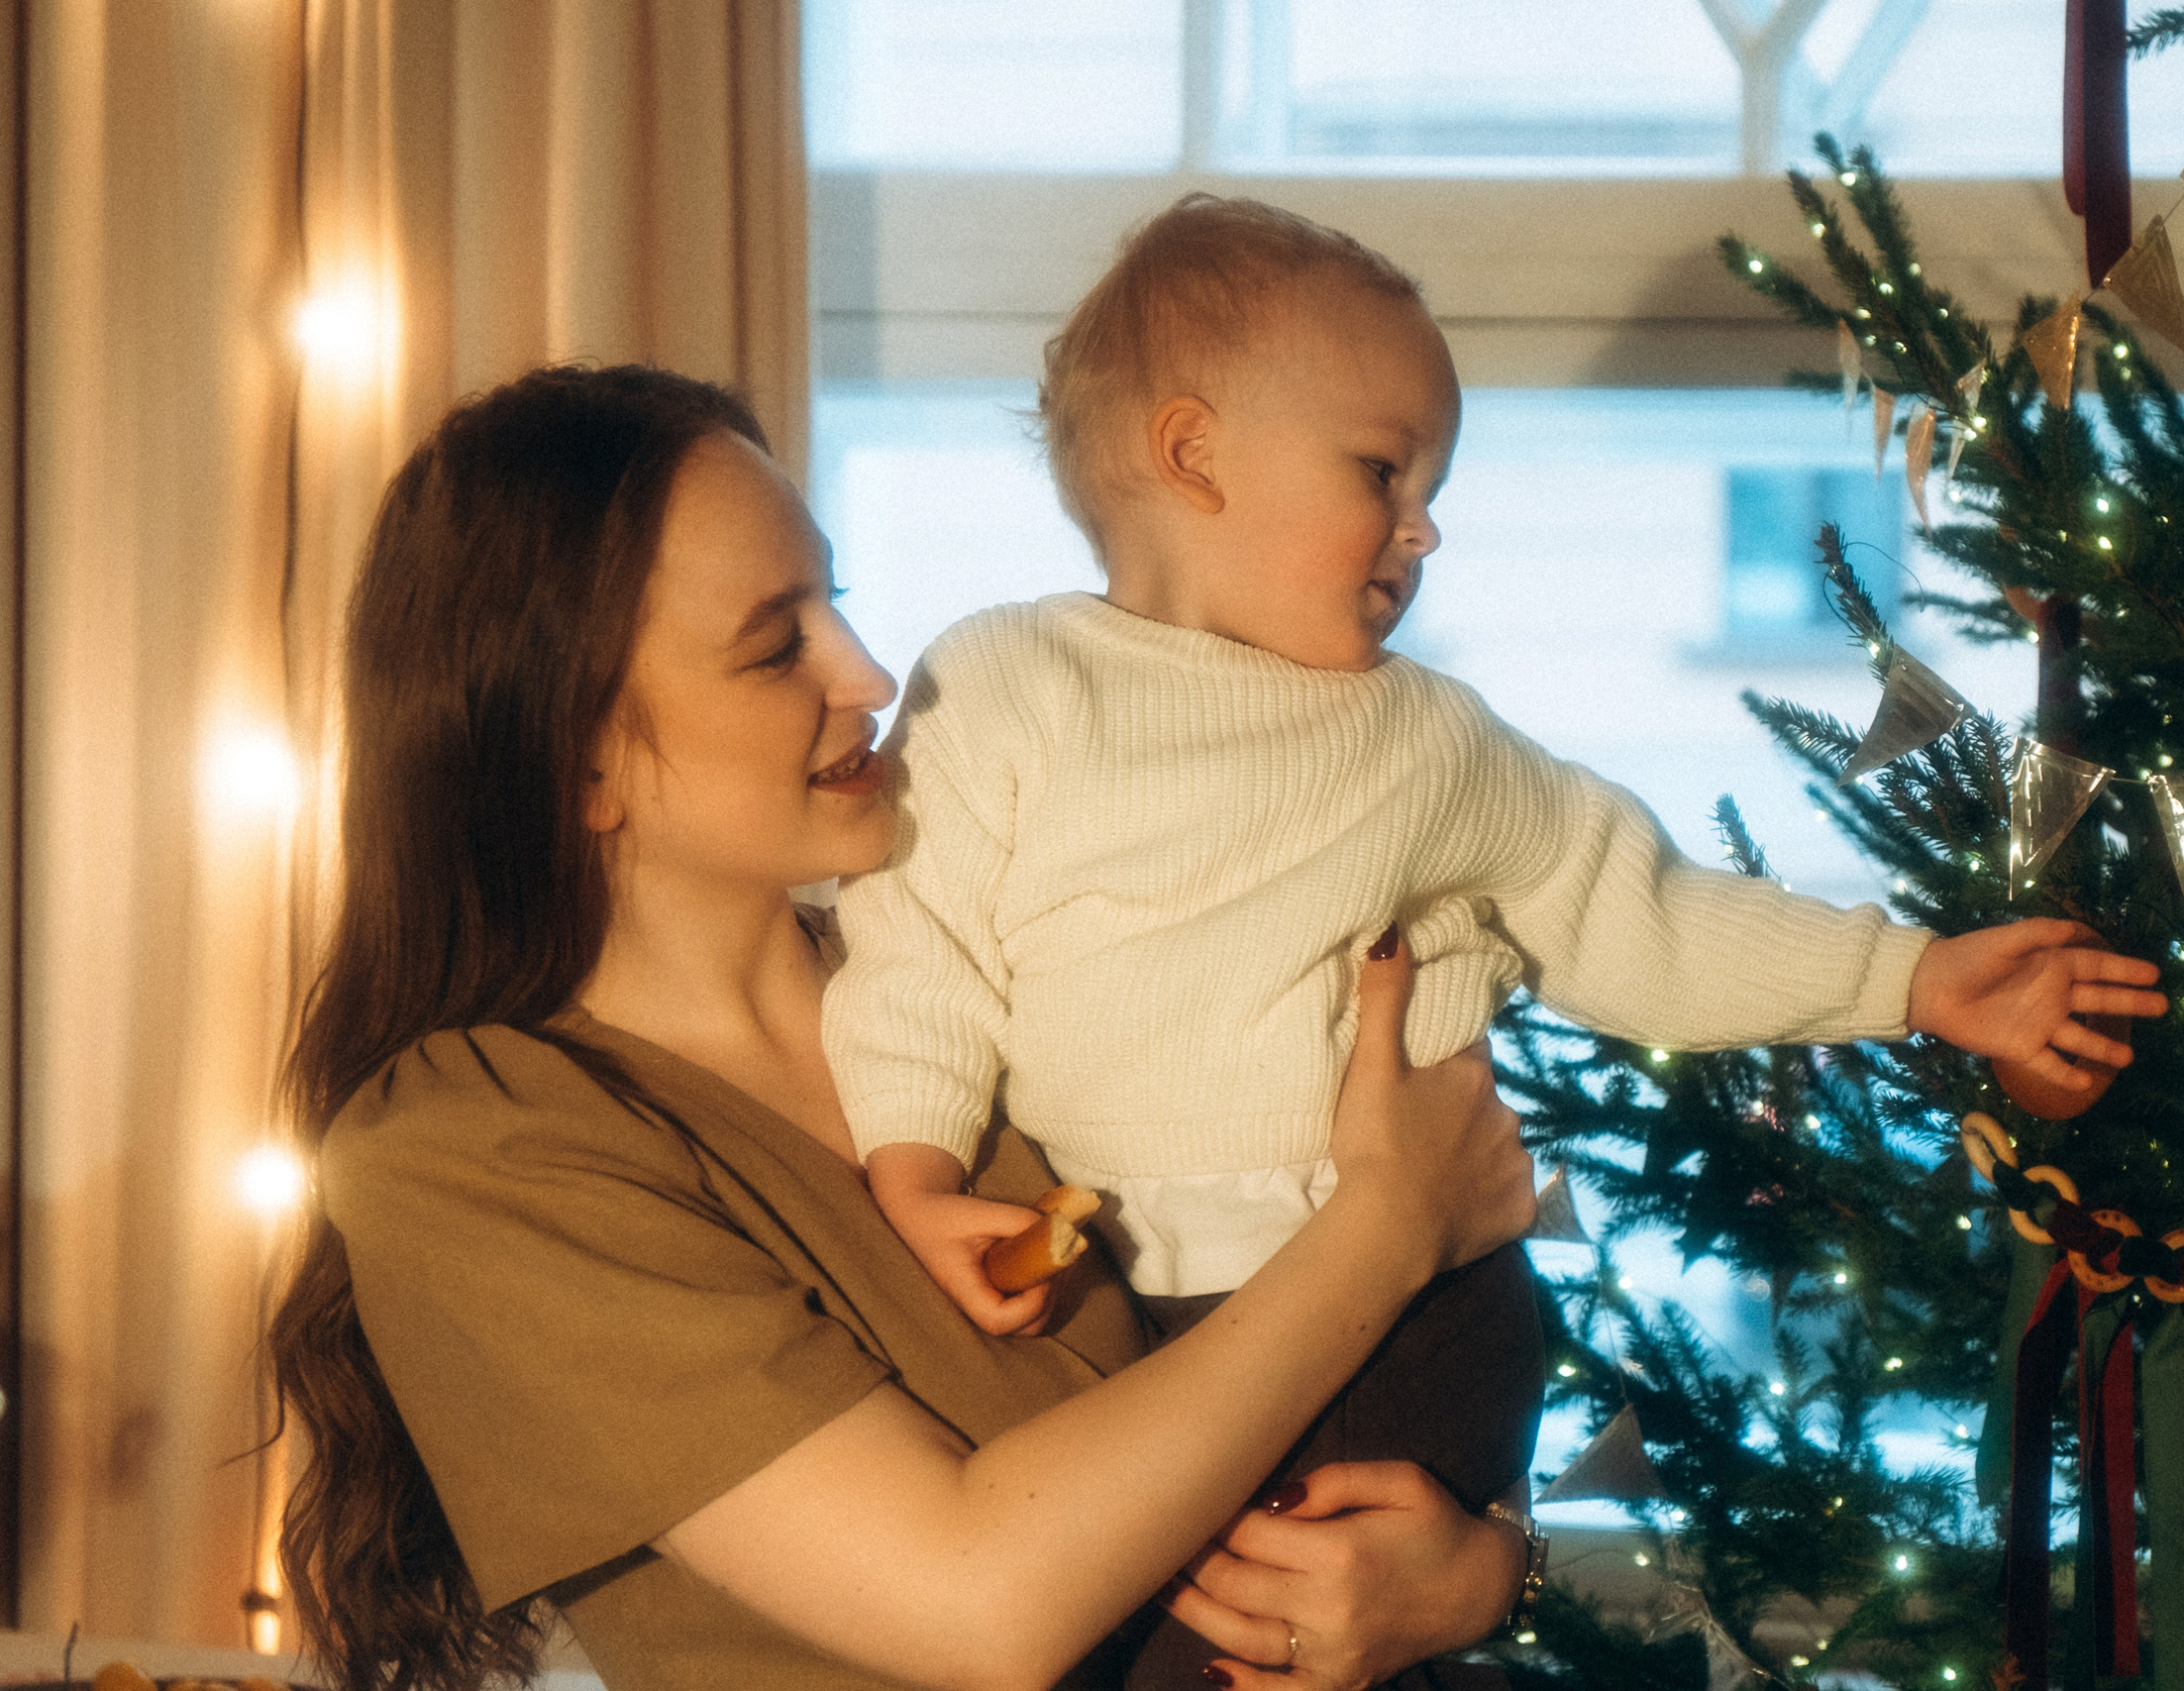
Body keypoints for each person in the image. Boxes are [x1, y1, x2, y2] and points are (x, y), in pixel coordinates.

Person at [821, 195, 2169, 1681]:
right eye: (1382, 469)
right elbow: (919, 954)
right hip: (1126, 1312)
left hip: (1423, 1317)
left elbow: (1643, 915)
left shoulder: (1436, 742)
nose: (1425, 526)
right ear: (1193, 453)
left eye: (1432, 485)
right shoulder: (1005, 683)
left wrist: (1911, 976)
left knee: (1320, 1633)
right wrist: (916, 1176)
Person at [267, 363, 1543, 1691]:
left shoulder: (989, 983)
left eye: (838, 603)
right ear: (578, 760)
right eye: (776, 647)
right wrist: (1392, 1223)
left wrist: (1481, 1571)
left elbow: (1324, 1380)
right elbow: (974, 1605)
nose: (871, 676)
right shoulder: (466, 1151)